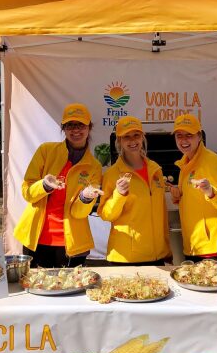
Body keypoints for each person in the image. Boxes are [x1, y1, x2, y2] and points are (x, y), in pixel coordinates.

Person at [13, 103, 103, 268]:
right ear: (63, 128)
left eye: (80, 125)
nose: (75, 130)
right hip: (38, 239)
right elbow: (28, 193)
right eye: (70, 125)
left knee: (72, 291)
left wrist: (85, 198)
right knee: (38, 289)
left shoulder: (94, 166)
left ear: (89, 127)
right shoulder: (46, 151)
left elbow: (79, 212)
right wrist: (45, 185)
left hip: (73, 243)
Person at [98, 116, 171, 265]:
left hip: (157, 256)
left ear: (142, 137)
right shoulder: (112, 174)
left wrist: (167, 249)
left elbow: (161, 214)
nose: (132, 141)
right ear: (119, 141)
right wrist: (119, 194)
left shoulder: (155, 169)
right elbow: (105, 214)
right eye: (127, 137)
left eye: (136, 135)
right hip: (126, 258)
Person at [171, 113, 217, 260]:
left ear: (199, 136)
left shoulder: (214, 163)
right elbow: (194, 199)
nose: (184, 140)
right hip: (194, 244)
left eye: (189, 135)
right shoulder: (185, 163)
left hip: (214, 246)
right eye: (179, 135)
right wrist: (179, 195)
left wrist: (210, 191)